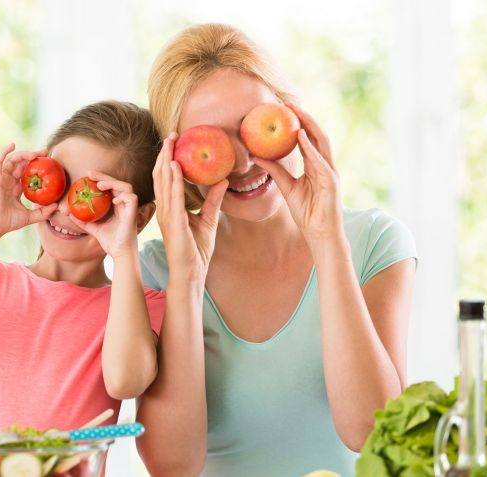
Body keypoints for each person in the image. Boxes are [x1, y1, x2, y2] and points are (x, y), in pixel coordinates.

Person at [136, 24, 418, 476]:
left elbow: (373, 432)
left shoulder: (376, 243)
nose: (245, 164)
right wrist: (187, 280)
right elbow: (172, 466)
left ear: (295, 118)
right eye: (212, 142)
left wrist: (327, 241)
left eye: (255, 128)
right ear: (175, 164)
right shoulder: (155, 270)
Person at [0, 101, 165, 476]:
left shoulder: (137, 308)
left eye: (92, 196)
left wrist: (124, 253)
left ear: (137, 216)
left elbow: (125, 381)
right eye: (58, 181)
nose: (67, 210)